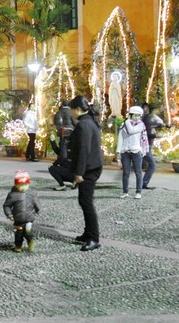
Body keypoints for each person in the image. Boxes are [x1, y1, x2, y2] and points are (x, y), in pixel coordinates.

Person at [69, 95, 104, 252]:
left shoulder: (84, 124)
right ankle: (88, 233)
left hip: (89, 168)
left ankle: (93, 238)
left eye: (71, 110)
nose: (71, 113)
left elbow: (84, 150)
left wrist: (79, 173)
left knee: (86, 202)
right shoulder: (90, 121)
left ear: (77, 109)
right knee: (84, 201)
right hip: (93, 166)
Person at [3, 170, 40, 253]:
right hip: (18, 219)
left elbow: (36, 203)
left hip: (29, 218)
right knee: (18, 234)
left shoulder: (32, 193)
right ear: (16, 185)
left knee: (29, 233)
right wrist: (9, 215)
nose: (23, 187)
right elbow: (7, 205)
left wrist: (37, 210)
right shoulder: (12, 194)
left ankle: (30, 242)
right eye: (20, 185)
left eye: (25, 185)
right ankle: (18, 246)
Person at [116, 105, 147, 199]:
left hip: (136, 151)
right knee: (126, 172)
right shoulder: (124, 125)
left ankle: (138, 192)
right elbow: (120, 138)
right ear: (131, 115)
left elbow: (131, 131)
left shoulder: (140, 124)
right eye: (135, 115)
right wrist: (118, 151)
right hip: (125, 151)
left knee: (138, 172)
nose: (137, 118)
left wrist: (127, 122)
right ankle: (125, 191)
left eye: (139, 116)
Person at [141, 103, 168, 190]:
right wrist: (158, 135)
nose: (159, 111)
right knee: (152, 165)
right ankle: (144, 183)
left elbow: (155, 125)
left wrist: (164, 125)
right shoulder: (148, 118)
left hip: (146, 145)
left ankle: (142, 182)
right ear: (154, 110)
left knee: (139, 164)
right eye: (157, 109)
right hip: (145, 145)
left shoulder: (150, 118)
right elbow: (147, 133)